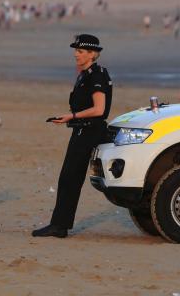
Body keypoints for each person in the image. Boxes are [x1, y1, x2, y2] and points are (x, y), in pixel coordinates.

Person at [32, 34, 112, 238]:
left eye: (80, 51)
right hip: (81, 129)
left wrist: (72, 116)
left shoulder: (97, 75)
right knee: (68, 178)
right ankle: (59, 225)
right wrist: (71, 119)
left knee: (70, 177)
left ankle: (59, 226)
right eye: (75, 51)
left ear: (92, 54)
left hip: (90, 131)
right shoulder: (84, 75)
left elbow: (99, 109)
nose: (76, 55)